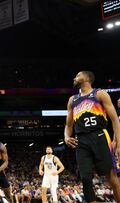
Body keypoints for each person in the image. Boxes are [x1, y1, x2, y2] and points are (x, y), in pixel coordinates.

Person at [64, 71, 120, 202]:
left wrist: (118, 142)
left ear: (87, 78)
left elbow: (115, 120)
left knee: (111, 177)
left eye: (78, 75)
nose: (75, 77)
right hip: (81, 140)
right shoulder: (72, 100)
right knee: (85, 178)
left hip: (100, 136)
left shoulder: (99, 94)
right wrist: (66, 137)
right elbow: (68, 125)